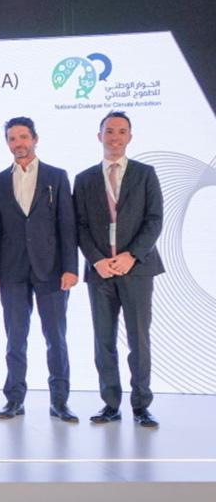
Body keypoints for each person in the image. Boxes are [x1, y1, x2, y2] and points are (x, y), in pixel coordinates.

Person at [0, 117, 79, 422]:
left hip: (51, 269)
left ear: (35, 139)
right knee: (15, 338)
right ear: (7, 143)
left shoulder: (56, 176)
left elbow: (68, 225)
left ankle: (60, 401)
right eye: (12, 138)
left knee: (56, 338)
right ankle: (14, 399)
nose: (18, 143)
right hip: (12, 270)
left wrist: (71, 267)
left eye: (23, 137)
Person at [73, 111, 164, 427]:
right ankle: (110, 404)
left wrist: (132, 256)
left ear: (130, 137)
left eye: (122, 131)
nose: (115, 136)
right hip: (101, 271)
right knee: (104, 340)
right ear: (99, 136)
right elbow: (80, 226)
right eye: (109, 131)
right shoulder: (84, 179)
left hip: (136, 269)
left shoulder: (145, 174)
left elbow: (154, 220)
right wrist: (97, 260)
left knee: (139, 339)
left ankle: (141, 405)